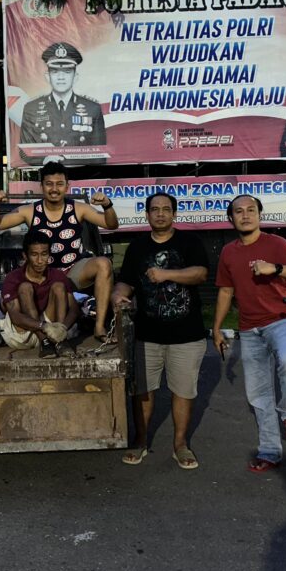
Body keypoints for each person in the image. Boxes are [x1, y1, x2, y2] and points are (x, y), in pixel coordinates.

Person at [211, 195, 286, 474]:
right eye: (238, 211)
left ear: (259, 215)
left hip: (282, 321)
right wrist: (216, 328)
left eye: (251, 210)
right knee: (258, 394)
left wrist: (275, 269)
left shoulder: (276, 244)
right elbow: (225, 291)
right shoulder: (228, 253)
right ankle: (269, 451)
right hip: (249, 329)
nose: (245, 215)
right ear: (230, 218)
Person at [111, 192, 209, 470]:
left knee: (183, 391)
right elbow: (125, 283)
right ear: (147, 215)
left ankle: (180, 444)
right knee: (142, 391)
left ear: (174, 214)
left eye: (167, 209)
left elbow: (201, 274)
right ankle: (141, 440)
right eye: (155, 209)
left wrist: (167, 274)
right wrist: (118, 296)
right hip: (147, 334)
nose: (161, 214)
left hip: (187, 334)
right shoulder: (137, 247)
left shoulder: (189, 242)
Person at [0, 160, 118, 341]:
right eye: (49, 184)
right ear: (41, 186)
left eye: (59, 184)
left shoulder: (78, 208)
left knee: (104, 263)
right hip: (41, 276)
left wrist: (107, 205)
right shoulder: (29, 211)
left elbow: (111, 224)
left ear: (67, 186)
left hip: (72, 273)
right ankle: (42, 337)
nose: (54, 189)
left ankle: (99, 327)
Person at [0, 231, 80, 358]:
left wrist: (62, 328)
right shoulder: (13, 278)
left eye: (44, 254)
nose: (40, 260)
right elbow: (15, 316)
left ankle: (60, 342)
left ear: (49, 255)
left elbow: (74, 309)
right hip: (24, 334)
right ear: (25, 256)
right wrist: (43, 326)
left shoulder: (57, 276)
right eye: (34, 255)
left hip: (53, 332)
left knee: (59, 287)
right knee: (25, 288)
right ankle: (45, 342)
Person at [19, 42, 106, 149]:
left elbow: (100, 153)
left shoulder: (93, 108)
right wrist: (45, 159)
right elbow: (24, 150)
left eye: (67, 71)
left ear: (75, 77)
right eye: (55, 71)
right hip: (46, 166)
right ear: (47, 76)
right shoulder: (31, 108)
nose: (61, 77)